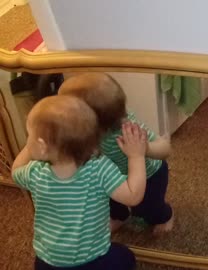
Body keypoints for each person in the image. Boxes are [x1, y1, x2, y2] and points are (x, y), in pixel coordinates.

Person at [11, 95, 147, 270]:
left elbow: (15, 171)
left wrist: (32, 148)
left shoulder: (35, 173)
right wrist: (136, 156)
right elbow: (133, 196)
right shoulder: (100, 169)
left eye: (29, 136)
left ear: (42, 146)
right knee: (126, 257)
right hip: (94, 261)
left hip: (48, 261)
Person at [58, 73, 173, 234]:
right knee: (110, 200)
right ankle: (120, 216)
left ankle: (165, 216)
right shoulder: (82, 131)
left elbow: (165, 148)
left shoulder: (127, 127)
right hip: (112, 175)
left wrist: (144, 148)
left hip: (149, 175)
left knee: (148, 207)